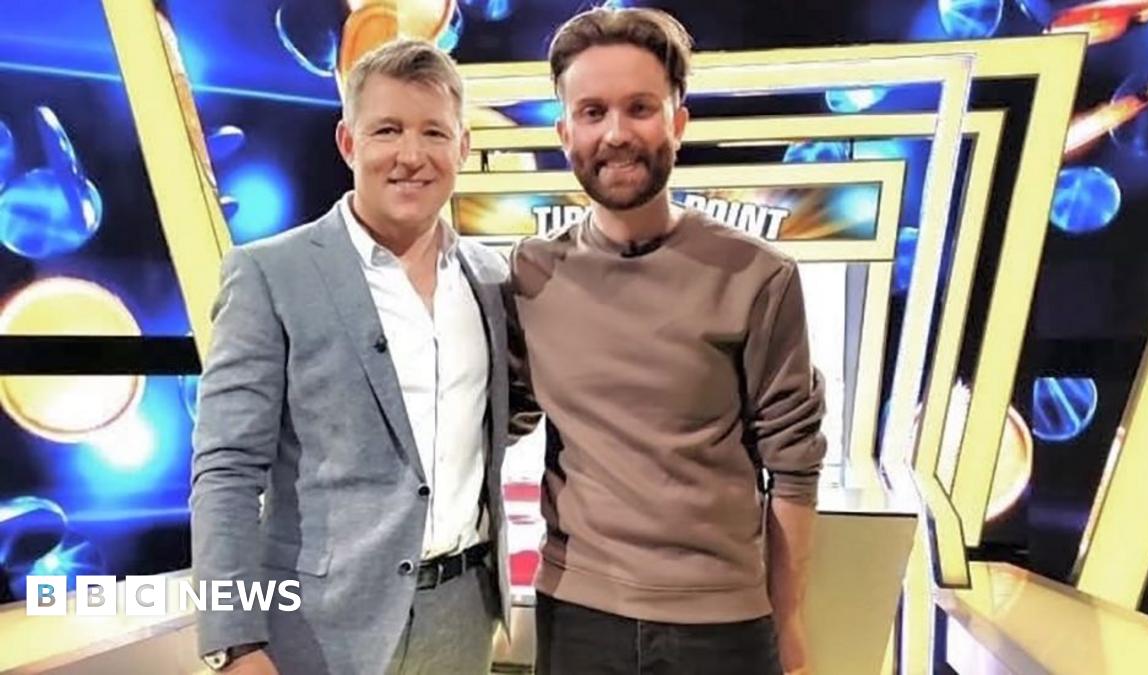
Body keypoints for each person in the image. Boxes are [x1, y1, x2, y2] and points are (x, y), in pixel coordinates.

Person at [506, 8, 826, 675]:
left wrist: (789, 622)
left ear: (678, 121)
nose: (616, 133)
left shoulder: (758, 275)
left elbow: (794, 466)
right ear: (565, 133)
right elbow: (498, 417)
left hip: (724, 628)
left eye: (640, 108)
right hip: (578, 617)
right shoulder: (531, 275)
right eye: (592, 112)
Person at [191, 39, 510, 675]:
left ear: (462, 147)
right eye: (387, 130)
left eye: (434, 132)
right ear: (348, 142)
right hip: (316, 628)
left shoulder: (493, 278)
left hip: (464, 614)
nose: (411, 155)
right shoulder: (269, 274)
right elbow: (226, 469)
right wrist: (234, 642)